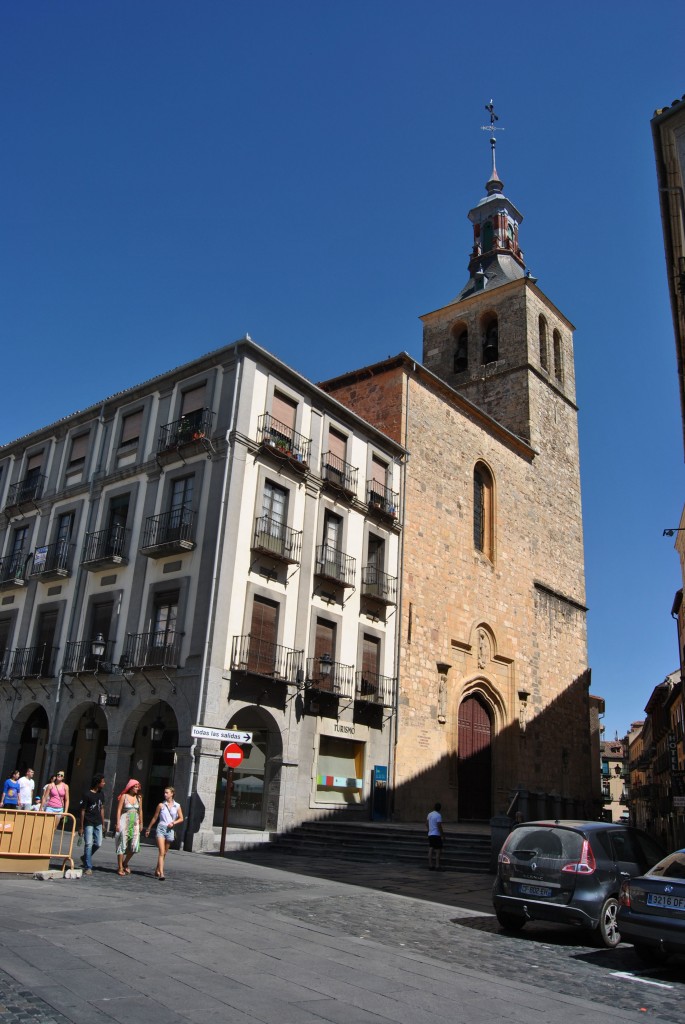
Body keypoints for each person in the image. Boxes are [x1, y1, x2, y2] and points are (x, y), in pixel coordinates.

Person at [145, 786, 184, 881]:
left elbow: (181, 818)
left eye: (167, 792)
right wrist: (148, 829)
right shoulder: (161, 805)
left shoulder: (177, 806)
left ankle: (157, 869)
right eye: (164, 792)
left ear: (172, 794)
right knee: (161, 851)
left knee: (164, 853)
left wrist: (173, 823)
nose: (165, 794)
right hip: (161, 828)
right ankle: (161, 873)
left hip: (170, 830)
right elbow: (155, 817)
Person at [78, 774, 106, 875]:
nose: (104, 783)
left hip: (98, 821)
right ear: (97, 783)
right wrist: (81, 826)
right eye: (102, 782)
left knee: (98, 843)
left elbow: (102, 808)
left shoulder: (101, 794)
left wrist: (103, 823)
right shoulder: (87, 794)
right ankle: (88, 866)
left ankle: (85, 857)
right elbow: (82, 810)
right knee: (88, 843)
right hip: (88, 821)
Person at [115, 779, 143, 876]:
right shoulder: (124, 796)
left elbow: (140, 811)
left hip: (135, 822)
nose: (136, 789)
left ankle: (125, 862)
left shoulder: (139, 798)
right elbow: (119, 810)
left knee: (134, 845)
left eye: (137, 787)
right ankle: (120, 867)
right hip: (125, 821)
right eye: (135, 787)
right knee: (122, 843)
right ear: (130, 787)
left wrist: (141, 823)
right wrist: (118, 823)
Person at [427, 801, 445, 871]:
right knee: (438, 850)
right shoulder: (438, 815)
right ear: (440, 808)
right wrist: (442, 835)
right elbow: (439, 826)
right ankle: (437, 866)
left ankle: (430, 865)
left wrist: (429, 830)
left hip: (430, 834)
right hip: (436, 835)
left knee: (431, 849)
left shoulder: (429, 814)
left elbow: (426, 823)